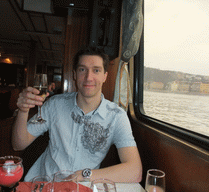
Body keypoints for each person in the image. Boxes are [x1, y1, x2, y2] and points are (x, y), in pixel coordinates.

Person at [12, 47, 142, 182]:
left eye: (96, 70)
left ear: (105, 76)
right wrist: (23, 111)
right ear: (74, 75)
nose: (88, 77)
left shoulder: (117, 116)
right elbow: (18, 144)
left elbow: (135, 171)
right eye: (82, 70)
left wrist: (85, 175)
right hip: (44, 183)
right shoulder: (54, 104)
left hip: (83, 186)